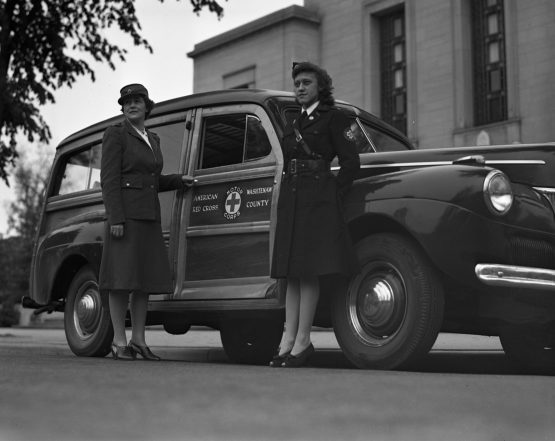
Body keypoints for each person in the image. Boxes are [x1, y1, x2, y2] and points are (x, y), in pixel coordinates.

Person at [270, 62, 361, 367]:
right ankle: (288, 338)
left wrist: (331, 192)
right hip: (293, 199)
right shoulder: (294, 119)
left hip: (316, 201)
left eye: (306, 82)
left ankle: (303, 340)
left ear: (321, 86)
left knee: (308, 271)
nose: (299, 87)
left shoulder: (335, 117)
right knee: (292, 273)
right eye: (296, 82)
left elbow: (351, 164)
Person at [100, 83, 193, 361]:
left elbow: (150, 180)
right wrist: (116, 217)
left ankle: (139, 340)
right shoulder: (116, 135)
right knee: (121, 281)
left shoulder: (153, 138)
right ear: (123, 107)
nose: (132, 105)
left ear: (146, 105)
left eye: (137, 100)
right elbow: (110, 180)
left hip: (149, 218)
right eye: (127, 101)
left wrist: (177, 181)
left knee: (142, 282)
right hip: (125, 219)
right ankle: (119, 341)